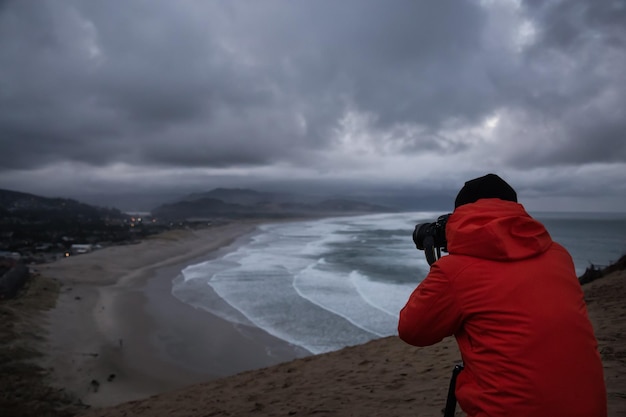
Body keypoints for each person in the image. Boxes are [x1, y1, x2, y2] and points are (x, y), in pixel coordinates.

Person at [398, 173, 607, 417]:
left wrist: (443, 271)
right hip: (589, 407)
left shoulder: (456, 271)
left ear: (460, 217)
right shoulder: (560, 256)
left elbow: (412, 331)